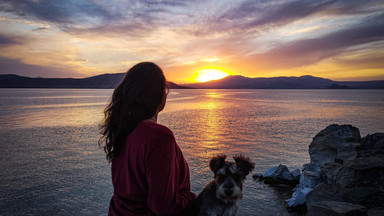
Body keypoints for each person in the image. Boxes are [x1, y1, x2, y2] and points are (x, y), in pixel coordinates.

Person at [99, 62, 196, 215]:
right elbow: (164, 207)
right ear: (159, 96)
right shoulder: (159, 137)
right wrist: (198, 201)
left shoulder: (123, 130)